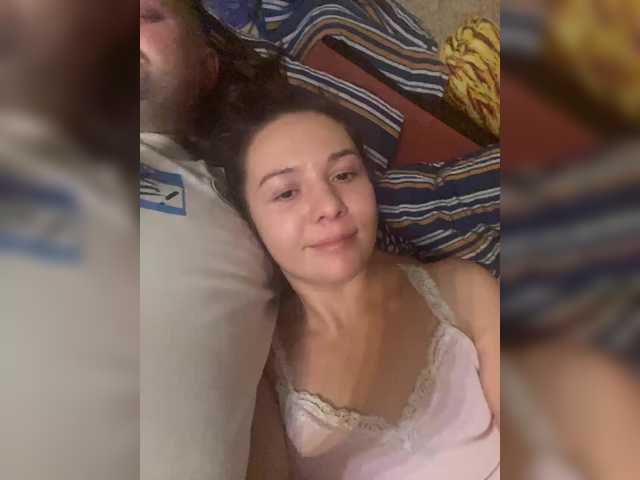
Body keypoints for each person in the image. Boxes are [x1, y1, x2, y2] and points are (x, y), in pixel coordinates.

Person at [213, 83, 500, 479]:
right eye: (286, 193)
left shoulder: (463, 289)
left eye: (344, 174)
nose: (329, 206)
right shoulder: (259, 374)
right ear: (249, 221)